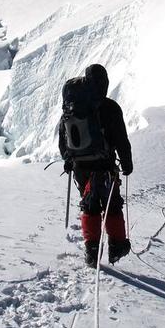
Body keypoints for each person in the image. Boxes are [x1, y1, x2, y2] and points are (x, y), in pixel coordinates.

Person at [58, 64, 133, 267]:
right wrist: (127, 163)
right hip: (105, 165)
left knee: (89, 205)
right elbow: (121, 139)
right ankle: (117, 246)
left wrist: (68, 159)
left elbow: (63, 138)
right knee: (112, 205)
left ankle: (92, 251)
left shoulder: (72, 105)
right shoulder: (110, 108)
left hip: (81, 167)